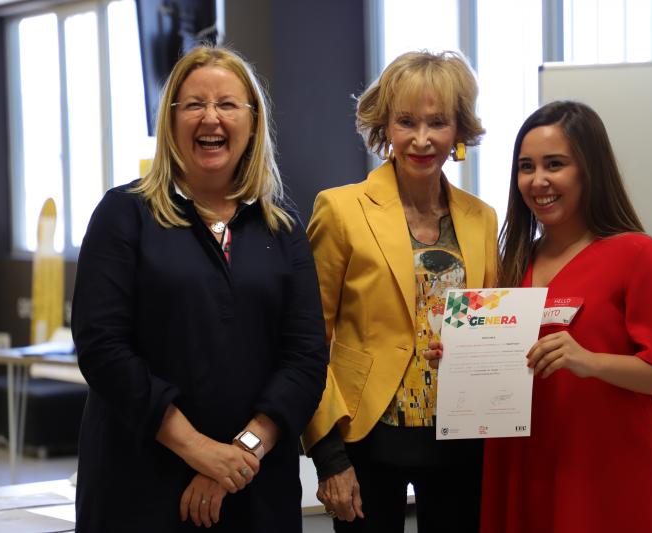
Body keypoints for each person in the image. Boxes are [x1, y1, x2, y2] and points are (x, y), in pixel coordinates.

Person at [426, 100, 652, 532]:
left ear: (588, 170)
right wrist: (459, 363)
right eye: (526, 167)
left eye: (555, 164)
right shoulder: (513, 263)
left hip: (608, 481)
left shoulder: (637, 255)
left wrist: (590, 361)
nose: (538, 180)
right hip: (524, 473)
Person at [71, 46, 328, 532]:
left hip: (254, 486)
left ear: (252, 122)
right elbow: (103, 349)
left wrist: (238, 455)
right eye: (193, 105)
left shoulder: (283, 229)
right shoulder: (124, 215)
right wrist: (200, 450)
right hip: (140, 486)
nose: (211, 117)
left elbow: (306, 358)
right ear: (170, 122)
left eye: (228, 104)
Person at [301, 50, 498, 533]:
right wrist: (327, 455)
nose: (423, 139)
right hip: (366, 437)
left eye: (438, 122)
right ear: (384, 127)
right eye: (407, 121)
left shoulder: (482, 218)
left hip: (461, 438)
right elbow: (306, 340)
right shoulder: (341, 209)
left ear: (460, 131)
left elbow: (489, 328)